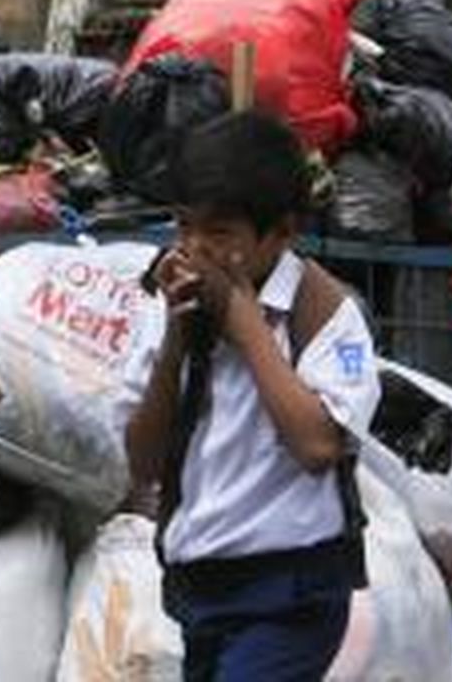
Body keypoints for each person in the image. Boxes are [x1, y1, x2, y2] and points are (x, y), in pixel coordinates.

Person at [126, 111, 382, 681]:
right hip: (201, 586)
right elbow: (143, 462)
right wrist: (174, 341)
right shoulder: (171, 299)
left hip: (292, 590)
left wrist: (245, 324)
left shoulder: (325, 312)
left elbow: (318, 445)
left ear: (282, 233)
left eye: (219, 233)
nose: (196, 249)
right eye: (184, 226)